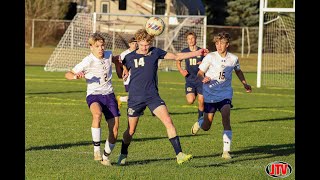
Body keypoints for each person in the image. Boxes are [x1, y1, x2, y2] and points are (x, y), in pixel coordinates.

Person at [117, 29, 209, 165]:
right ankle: (123, 153)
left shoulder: (155, 52)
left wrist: (197, 53)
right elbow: (121, 70)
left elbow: (177, 57)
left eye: (147, 45)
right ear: (137, 43)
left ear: (150, 43)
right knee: (130, 130)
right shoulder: (129, 57)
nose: (144, 48)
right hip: (135, 98)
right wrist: (122, 70)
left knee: (168, 121)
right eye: (142, 45)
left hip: (153, 96)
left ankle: (179, 155)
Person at [190, 31, 252, 159]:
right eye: (217, 43)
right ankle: (200, 122)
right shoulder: (210, 57)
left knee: (226, 116)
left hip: (225, 94)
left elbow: (238, 71)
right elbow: (200, 73)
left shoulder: (233, 59)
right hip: (210, 94)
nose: (218, 45)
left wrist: (245, 84)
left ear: (227, 44)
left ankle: (226, 151)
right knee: (207, 126)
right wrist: (204, 78)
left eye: (222, 43)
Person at [65, 32, 123, 166]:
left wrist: (122, 67)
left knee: (114, 129)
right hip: (94, 95)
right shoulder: (88, 60)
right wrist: (75, 76)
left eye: (102, 46)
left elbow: (116, 60)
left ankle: (105, 156)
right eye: (97, 46)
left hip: (109, 95)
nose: (101, 49)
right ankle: (96, 149)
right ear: (91, 47)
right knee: (97, 115)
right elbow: (68, 74)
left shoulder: (108, 55)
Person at [176, 31, 204, 119]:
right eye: (189, 39)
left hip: (201, 80)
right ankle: (194, 93)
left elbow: (209, 63)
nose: (191, 40)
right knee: (190, 101)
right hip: (190, 80)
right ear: (187, 41)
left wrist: (203, 63)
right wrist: (181, 70)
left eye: (192, 38)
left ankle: (200, 118)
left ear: (196, 39)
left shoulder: (201, 51)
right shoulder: (184, 52)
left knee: (201, 101)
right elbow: (178, 61)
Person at [117, 37, 138, 109]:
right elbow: (120, 65)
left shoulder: (139, 53)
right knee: (134, 96)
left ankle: (121, 99)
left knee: (137, 95)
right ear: (129, 44)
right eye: (133, 43)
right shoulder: (124, 54)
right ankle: (134, 109)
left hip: (138, 77)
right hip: (128, 78)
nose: (135, 45)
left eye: (136, 43)